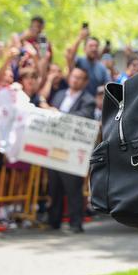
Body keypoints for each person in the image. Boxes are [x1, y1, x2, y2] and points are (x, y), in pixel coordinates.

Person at [47, 67, 96, 232]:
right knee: (54, 185)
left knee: (72, 187)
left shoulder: (88, 99)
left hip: (73, 148)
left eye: (79, 78)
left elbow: (84, 117)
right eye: (73, 76)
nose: (75, 80)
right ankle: (54, 222)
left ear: (85, 82)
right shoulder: (59, 94)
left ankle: (76, 223)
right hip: (55, 144)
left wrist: (58, 114)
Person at [65, 28, 111, 95]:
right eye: (91, 46)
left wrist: (100, 91)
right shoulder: (78, 61)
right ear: (84, 49)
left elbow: (108, 86)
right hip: (75, 100)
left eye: (96, 46)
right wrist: (80, 38)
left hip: (92, 103)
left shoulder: (102, 68)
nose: (94, 49)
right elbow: (70, 57)